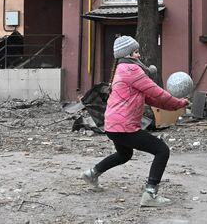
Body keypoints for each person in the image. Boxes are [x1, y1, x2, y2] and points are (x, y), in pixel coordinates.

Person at [81, 35, 189, 207]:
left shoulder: (122, 70)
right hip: (124, 126)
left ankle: (92, 173)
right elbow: (158, 93)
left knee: (124, 154)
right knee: (162, 151)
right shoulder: (133, 71)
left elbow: (150, 99)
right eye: (136, 52)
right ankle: (150, 195)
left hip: (112, 125)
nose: (139, 55)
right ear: (129, 54)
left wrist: (175, 106)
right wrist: (179, 102)